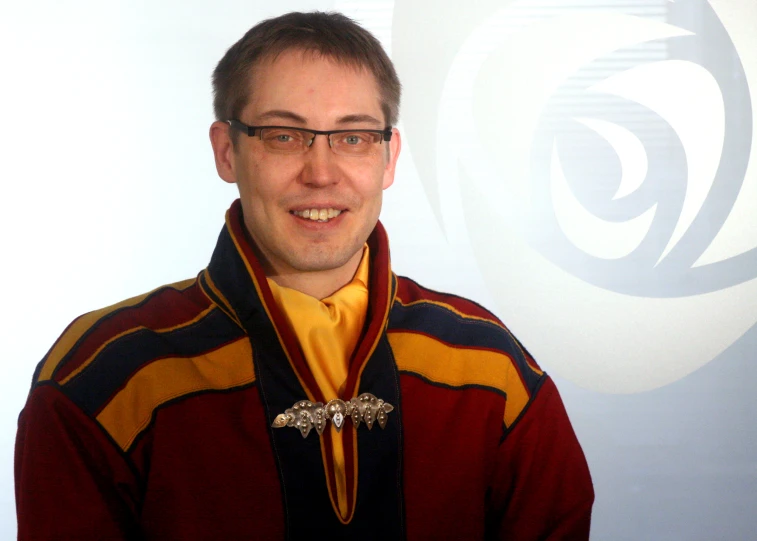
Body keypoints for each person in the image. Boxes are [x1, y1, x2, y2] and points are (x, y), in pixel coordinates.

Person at [14, 11, 594, 540]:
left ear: (388, 158)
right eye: (283, 135)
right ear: (226, 152)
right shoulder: (104, 377)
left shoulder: (488, 364)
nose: (321, 173)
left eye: (353, 136)